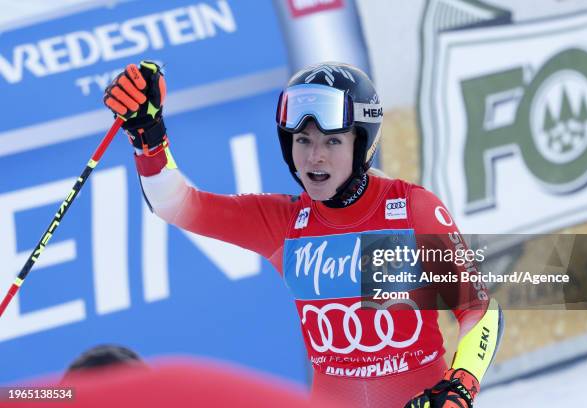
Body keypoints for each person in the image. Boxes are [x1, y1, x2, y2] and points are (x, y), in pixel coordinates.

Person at [103, 61, 504, 408]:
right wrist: (148, 135)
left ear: (361, 143)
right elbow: (175, 204)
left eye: (332, 140)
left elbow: (478, 310)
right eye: (302, 140)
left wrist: (460, 386)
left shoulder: (412, 209)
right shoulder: (282, 222)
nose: (314, 156)